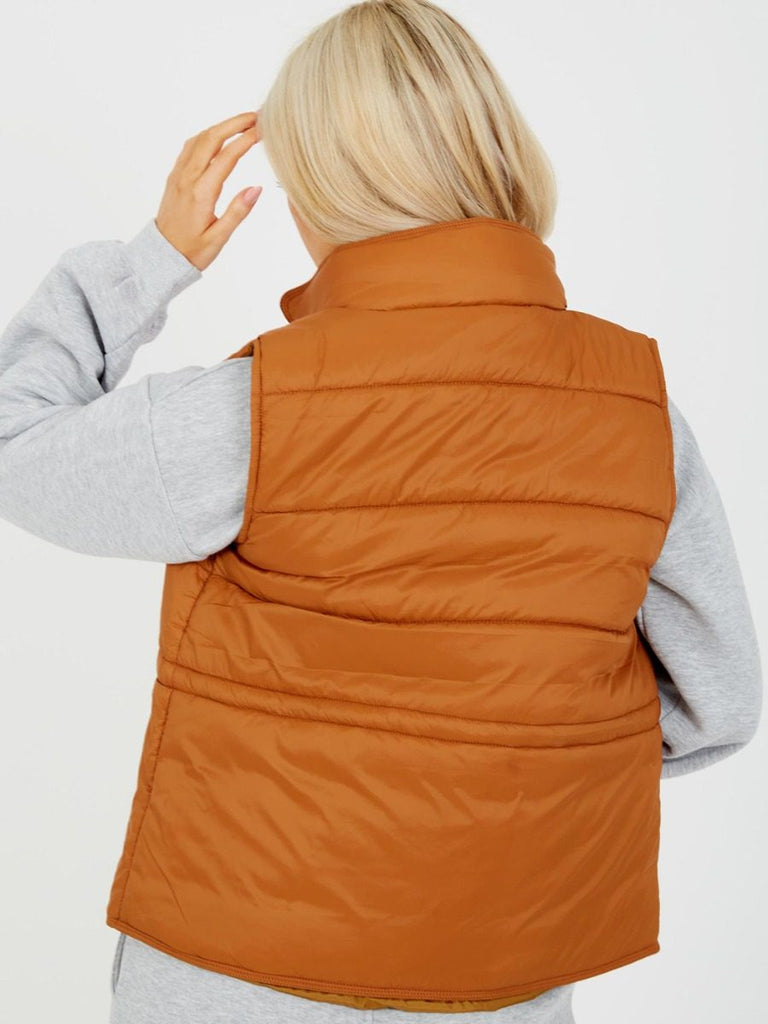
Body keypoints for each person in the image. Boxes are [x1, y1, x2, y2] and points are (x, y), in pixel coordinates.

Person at [0, 2, 761, 1023]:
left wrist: (155, 258)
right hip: (508, 976)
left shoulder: (255, 413)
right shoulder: (639, 416)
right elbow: (722, 700)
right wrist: (511, 764)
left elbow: (16, 444)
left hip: (244, 975)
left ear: (326, 189)